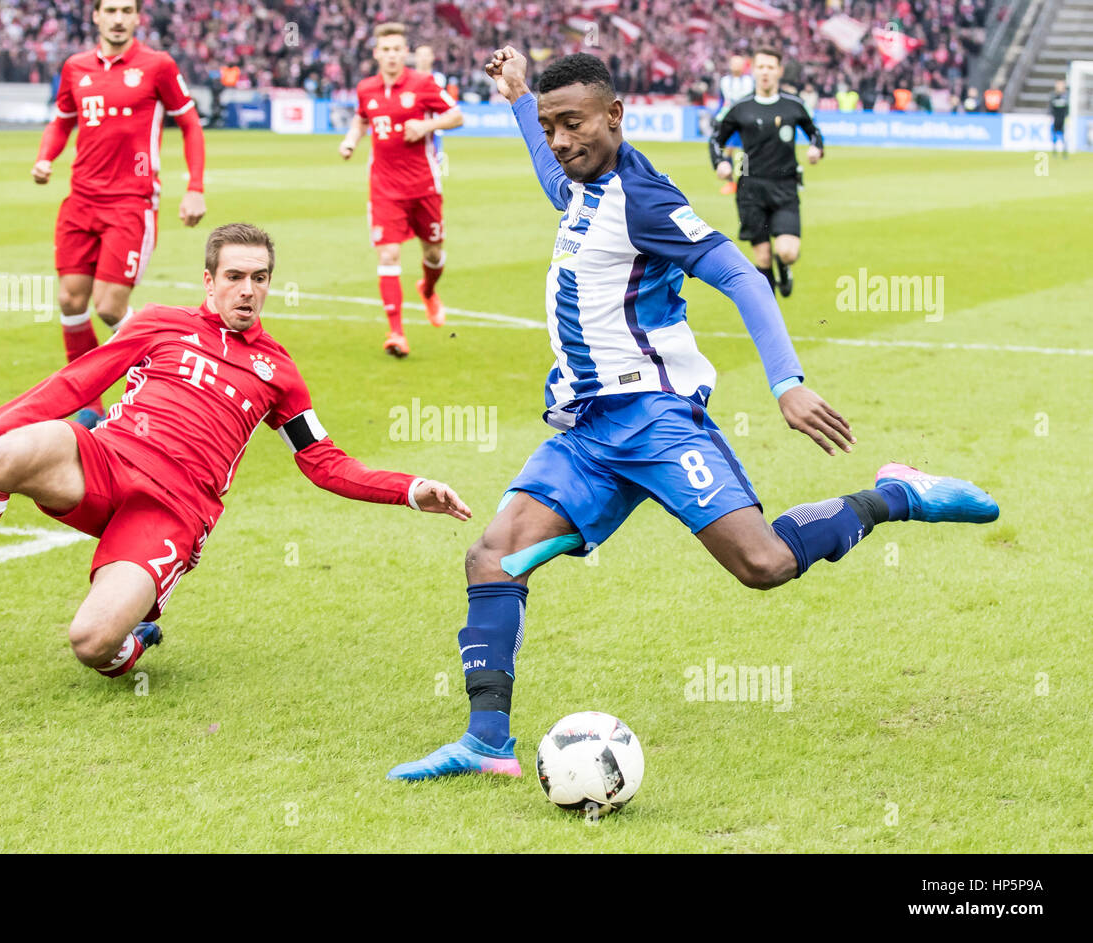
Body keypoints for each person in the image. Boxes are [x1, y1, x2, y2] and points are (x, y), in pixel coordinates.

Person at [387, 49, 998, 782]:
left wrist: (787, 381)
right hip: (586, 431)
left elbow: (739, 274)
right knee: (491, 555)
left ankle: (897, 493)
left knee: (764, 564)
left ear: (615, 116)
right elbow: (551, 172)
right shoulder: (580, 180)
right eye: (550, 126)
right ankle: (487, 742)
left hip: (656, 420)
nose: (559, 141)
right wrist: (522, 97)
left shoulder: (644, 199)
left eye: (573, 124)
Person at [0, 224, 472, 682]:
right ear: (209, 280)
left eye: (259, 278)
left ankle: (134, 636)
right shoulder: (159, 322)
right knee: (7, 454)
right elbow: (75, 384)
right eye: (234, 277)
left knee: (92, 646)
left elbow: (326, 464)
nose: (247, 290)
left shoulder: (279, 373)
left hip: (171, 512)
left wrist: (412, 489)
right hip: (105, 462)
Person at [32, 0, 207, 428]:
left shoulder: (158, 65)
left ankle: (164, 384)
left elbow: (190, 125)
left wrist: (195, 188)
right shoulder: (75, 66)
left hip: (131, 201)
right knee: (70, 301)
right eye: (109, 9)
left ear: (136, 17)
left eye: (125, 10)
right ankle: (90, 403)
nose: (117, 18)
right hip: (80, 200)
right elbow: (62, 121)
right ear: (95, 16)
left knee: (109, 307)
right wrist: (45, 158)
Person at [339, 22, 463, 358]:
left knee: (434, 253)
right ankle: (396, 333)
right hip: (384, 187)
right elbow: (362, 118)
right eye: (386, 49)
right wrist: (351, 141)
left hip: (423, 185)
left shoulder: (423, 84)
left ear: (404, 52)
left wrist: (427, 124)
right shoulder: (366, 88)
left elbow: (456, 116)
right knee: (388, 254)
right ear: (377, 53)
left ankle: (428, 289)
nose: (392, 55)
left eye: (397, 49)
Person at [709, 48, 823, 298]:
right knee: (762, 258)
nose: (765, 72)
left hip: (785, 187)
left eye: (770, 67)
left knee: (787, 252)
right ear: (754, 71)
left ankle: (784, 267)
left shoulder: (794, 105)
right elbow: (716, 138)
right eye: (760, 67)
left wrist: (816, 149)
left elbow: (815, 132)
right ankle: (769, 314)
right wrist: (719, 162)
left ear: (779, 71)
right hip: (750, 187)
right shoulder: (740, 107)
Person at [713, 54, 754, 195]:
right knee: (728, 150)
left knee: (746, 152)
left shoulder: (750, 81)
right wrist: (718, 116)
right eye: (734, 63)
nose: (736, 66)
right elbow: (722, 101)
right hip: (730, 121)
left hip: (746, 121)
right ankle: (730, 182)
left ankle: (745, 182)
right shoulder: (724, 81)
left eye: (739, 63)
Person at [1050, 79, 1069, 160]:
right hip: (1055, 119)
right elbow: (1051, 108)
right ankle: (1054, 152)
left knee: (1063, 137)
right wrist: (1051, 116)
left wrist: (1067, 117)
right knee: (1054, 137)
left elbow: (1068, 109)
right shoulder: (1053, 96)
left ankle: (1064, 153)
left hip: (1063, 119)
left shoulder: (1066, 96)